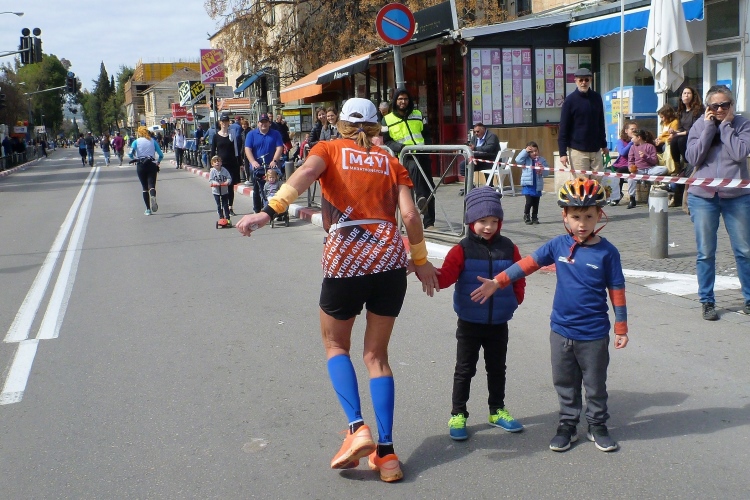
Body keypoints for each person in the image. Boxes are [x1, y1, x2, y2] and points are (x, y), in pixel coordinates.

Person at [235, 98, 440, 483]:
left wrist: (267, 212)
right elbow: (411, 215)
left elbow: (304, 174)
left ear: (339, 124)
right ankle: (387, 455)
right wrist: (421, 259)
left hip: (346, 260)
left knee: (335, 346)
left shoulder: (327, 149)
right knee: (377, 357)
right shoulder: (391, 161)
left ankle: (357, 428)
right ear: (378, 127)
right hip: (389, 262)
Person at [471, 178, 629, 453]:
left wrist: (621, 327)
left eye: (589, 216)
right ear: (564, 216)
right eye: (576, 216)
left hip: (593, 334)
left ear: (599, 215)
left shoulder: (607, 252)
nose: (582, 223)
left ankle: (597, 425)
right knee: (565, 382)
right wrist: (498, 282)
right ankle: (567, 425)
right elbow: (527, 264)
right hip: (561, 331)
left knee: (595, 385)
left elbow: (617, 289)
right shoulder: (558, 245)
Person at [432, 186, 525, 441]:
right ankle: (458, 414)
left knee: (497, 369)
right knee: (464, 370)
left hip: (499, 323)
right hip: (469, 323)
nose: (489, 227)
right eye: (483, 221)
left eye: (494, 221)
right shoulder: (461, 249)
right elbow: (446, 277)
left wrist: (515, 299)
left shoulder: (509, 248)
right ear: (471, 220)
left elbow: (519, 275)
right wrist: (425, 271)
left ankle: (497, 410)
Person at [685, 84, 750, 321]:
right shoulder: (699, 125)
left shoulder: (742, 124)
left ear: (732, 105)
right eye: (715, 106)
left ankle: (749, 298)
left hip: (737, 196)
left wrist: (725, 127)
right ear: (707, 108)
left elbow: (740, 153)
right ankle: (707, 301)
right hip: (703, 196)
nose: (720, 109)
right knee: (705, 252)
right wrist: (708, 128)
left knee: (744, 251)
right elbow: (693, 157)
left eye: (725, 105)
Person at [383, 88, 436, 229]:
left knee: (430, 186)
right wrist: (400, 147)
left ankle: (429, 223)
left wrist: (428, 147)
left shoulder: (418, 114)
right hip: (405, 156)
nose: (403, 102)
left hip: (422, 154)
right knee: (414, 171)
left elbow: (427, 134)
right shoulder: (387, 119)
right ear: (395, 101)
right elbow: (387, 141)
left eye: (405, 99)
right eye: (400, 99)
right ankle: (420, 198)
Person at [558, 68, 609, 174]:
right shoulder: (570, 101)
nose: (583, 83)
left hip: (596, 150)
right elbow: (563, 128)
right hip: (578, 150)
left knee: (597, 181)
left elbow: (600, 123)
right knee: (581, 182)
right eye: (581, 80)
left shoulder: (597, 98)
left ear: (590, 80)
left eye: (586, 80)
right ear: (575, 81)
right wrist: (562, 153)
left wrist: (604, 145)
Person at [670, 86, 704, 207]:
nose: (686, 95)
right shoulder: (681, 111)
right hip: (683, 136)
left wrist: (679, 134)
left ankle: (686, 160)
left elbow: (695, 129)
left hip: (694, 137)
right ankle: (677, 165)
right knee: (674, 141)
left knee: (680, 139)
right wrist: (674, 132)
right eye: (684, 93)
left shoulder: (698, 111)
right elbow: (680, 128)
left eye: (688, 93)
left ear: (693, 96)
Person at [244, 113, 284, 214]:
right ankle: (257, 210)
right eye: (261, 122)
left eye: (266, 122)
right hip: (257, 167)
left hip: (271, 167)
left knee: (273, 188)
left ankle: (274, 210)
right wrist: (253, 162)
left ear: (269, 123)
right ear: (258, 123)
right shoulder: (251, 134)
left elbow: (279, 147)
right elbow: (247, 149)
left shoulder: (275, 134)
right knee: (257, 189)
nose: (263, 124)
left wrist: (274, 160)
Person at [129, 125, 164, 216]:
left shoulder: (136, 142)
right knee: (151, 185)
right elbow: (161, 155)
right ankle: (153, 195)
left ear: (139, 133)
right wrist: (158, 162)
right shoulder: (153, 141)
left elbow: (130, 154)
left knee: (144, 188)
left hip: (141, 165)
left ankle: (148, 209)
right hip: (151, 164)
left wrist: (135, 159)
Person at [626, 129, 664, 210]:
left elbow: (654, 161)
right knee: (631, 179)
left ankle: (651, 197)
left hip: (650, 169)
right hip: (638, 170)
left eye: (633, 137)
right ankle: (632, 198)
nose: (631, 139)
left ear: (639, 137)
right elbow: (630, 160)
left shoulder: (650, 146)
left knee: (664, 169)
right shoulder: (633, 147)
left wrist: (645, 156)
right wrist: (631, 167)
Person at [211, 114, 241, 216]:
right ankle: (222, 207)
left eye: (226, 121)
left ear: (229, 122)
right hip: (221, 165)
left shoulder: (232, 134)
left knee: (230, 186)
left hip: (232, 163)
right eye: (222, 121)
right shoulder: (216, 136)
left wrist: (240, 163)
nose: (224, 123)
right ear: (220, 123)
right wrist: (212, 165)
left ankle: (230, 207)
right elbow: (213, 151)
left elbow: (236, 149)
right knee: (221, 187)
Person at [517, 141, 549, 224]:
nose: (534, 153)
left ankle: (534, 217)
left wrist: (542, 170)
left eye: (536, 151)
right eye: (531, 152)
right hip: (528, 185)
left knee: (536, 203)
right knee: (529, 202)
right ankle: (526, 215)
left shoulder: (542, 160)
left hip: (537, 185)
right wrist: (525, 151)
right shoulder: (525, 160)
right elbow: (518, 160)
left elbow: (547, 173)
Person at [609, 121, 638, 206]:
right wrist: (631, 143)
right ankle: (614, 194)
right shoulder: (620, 141)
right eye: (632, 129)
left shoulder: (638, 141)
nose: (634, 131)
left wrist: (634, 142)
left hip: (631, 165)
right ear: (626, 131)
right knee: (608, 172)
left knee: (619, 172)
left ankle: (618, 196)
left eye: (636, 129)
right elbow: (622, 152)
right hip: (620, 164)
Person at [209, 155, 232, 225]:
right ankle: (221, 217)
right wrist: (214, 183)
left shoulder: (224, 170)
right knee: (219, 205)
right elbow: (210, 180)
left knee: (225, 205)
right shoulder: (212, 171)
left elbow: (229, 178)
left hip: (224, 191)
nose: (217, 163)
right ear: (212, 164)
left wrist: (227, 182)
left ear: (221, 163)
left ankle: (227, 218)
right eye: (215, 162)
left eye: (218, 161)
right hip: (216, 191)